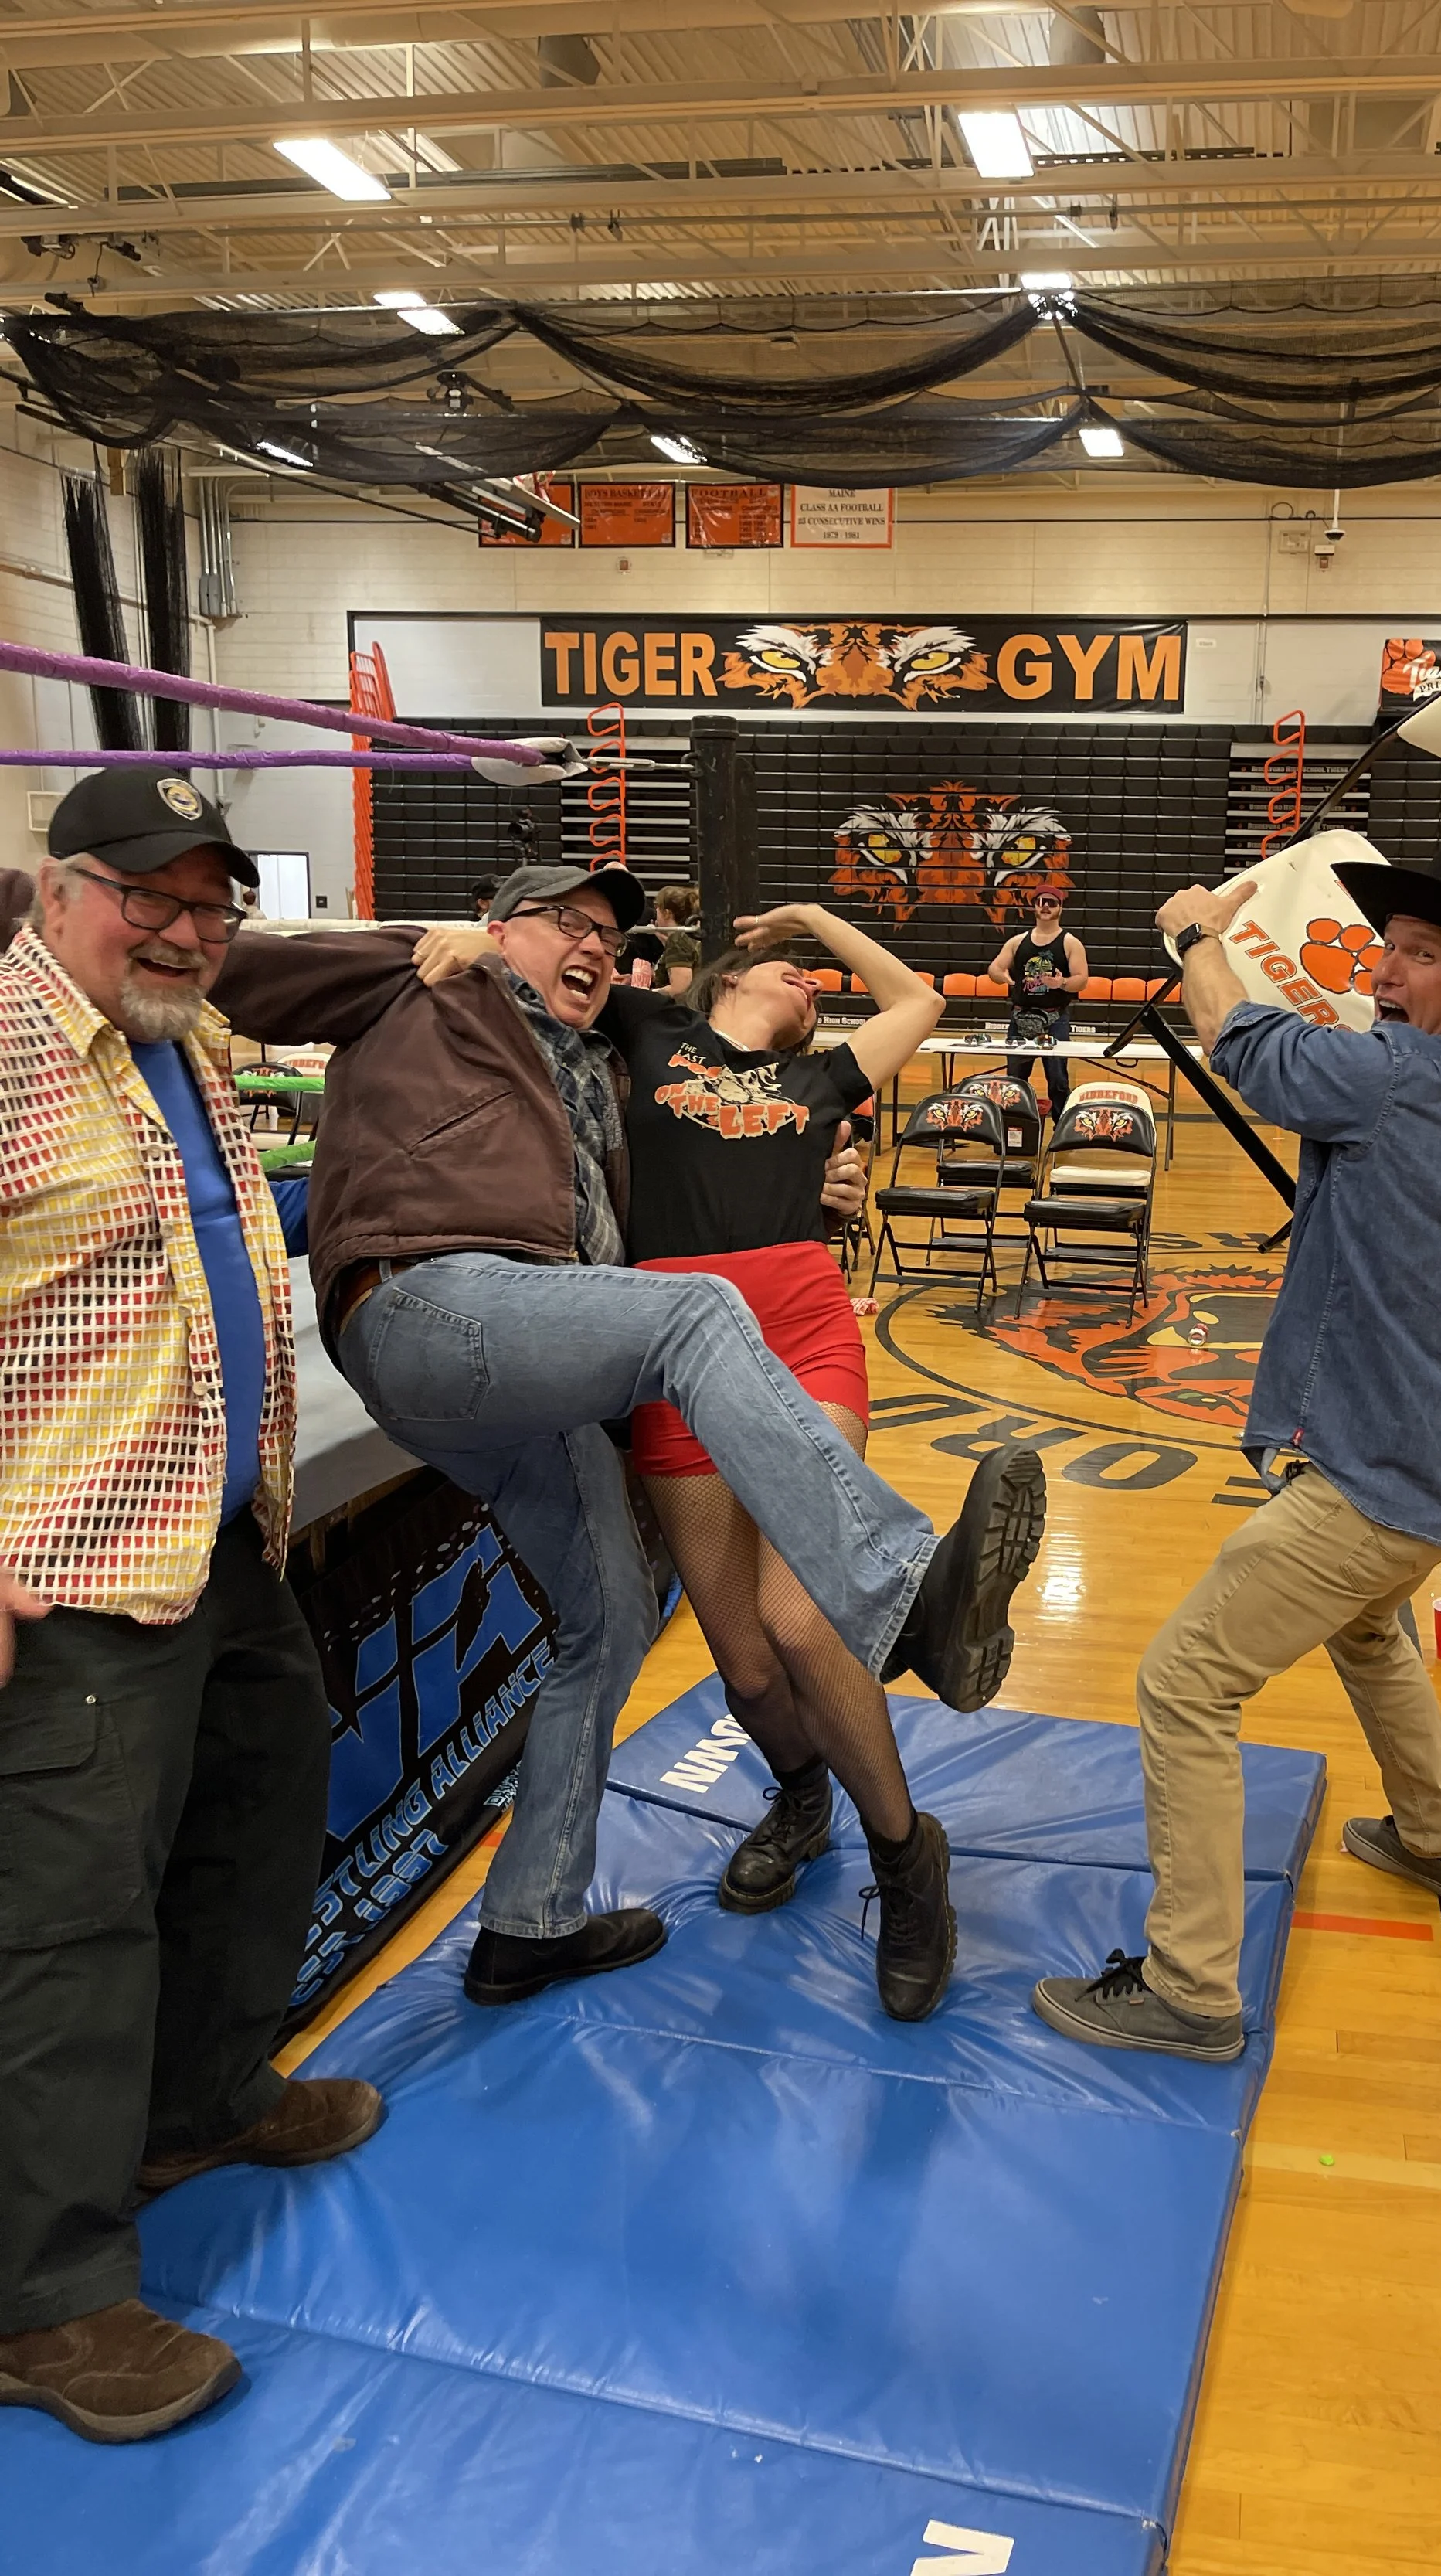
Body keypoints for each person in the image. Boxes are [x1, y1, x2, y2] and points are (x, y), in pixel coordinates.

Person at [209, 865, 1046, 2014]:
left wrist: (830, 1185)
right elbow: (220, 959)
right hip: (497, 1304)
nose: (600, 946)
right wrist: (445, 937)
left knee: (618, 1628)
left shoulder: (611, 1071)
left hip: (626, 1336)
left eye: (613, 935)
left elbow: (635, 1208)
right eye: (574, 923)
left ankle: (532, 1923)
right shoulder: (473, 987)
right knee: (710, 1380)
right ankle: (906, 1596)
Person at [1033, 835, 1441, 2062]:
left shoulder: (1398, 1083)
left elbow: (1253, 1047)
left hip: (1388, 1472)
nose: (1389, 970)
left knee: (1183, 1683)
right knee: (1368, 1627)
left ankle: (1190, 1988)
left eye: (1423, 956)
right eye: (1390, 946)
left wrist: (1194, 935)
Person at [0, 771, 381, 2445]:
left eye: (210, 901)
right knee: (72, 1932)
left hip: (217, 1540)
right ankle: (49, 2298)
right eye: (146, 891)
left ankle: (203, 2105)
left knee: (256, 1817)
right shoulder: (11, 1043)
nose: (179, 923)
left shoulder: (184, 1034)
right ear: (56, 884)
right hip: (72, 1562)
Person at [421, 897, 956, 2015]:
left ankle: (909, 1864)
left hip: (799, 1324)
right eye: (794, 968)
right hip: (671, 1343)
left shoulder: (823, 1084)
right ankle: (802, 1799)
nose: (814, 985)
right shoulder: (653, 1030)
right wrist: (476, 943)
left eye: (818, 978)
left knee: (808, 1621)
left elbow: (921, 999)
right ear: (727, 978)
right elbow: (545, 969)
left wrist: (812, 916)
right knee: (747, 1664)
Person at [991, 889, 1087, 1120]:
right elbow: (994, 968)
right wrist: (1001, 976)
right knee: (1014, 1079)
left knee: (1057, 1080)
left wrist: (1061, 982)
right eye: (1040, 902)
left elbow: (1081, 980)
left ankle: (1060, 1128)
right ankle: (1013, 1127)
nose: (1045, 906)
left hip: (1055, 1019)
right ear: (1033, 906)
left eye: (1051, 902)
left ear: (1060, 907)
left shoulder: (1071, 943)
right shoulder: (1016, 942)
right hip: (1020, 1017)